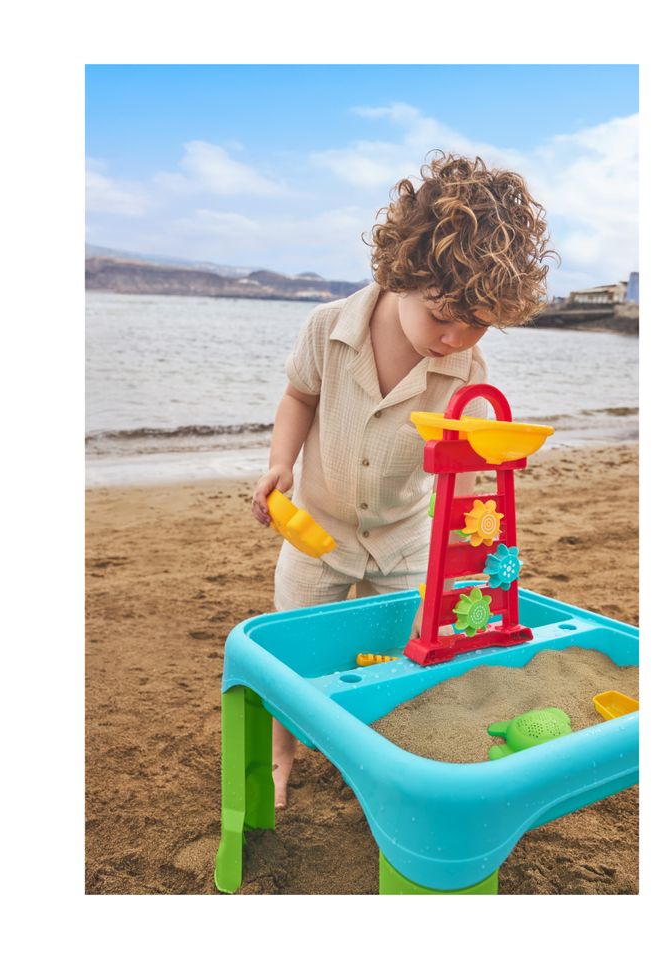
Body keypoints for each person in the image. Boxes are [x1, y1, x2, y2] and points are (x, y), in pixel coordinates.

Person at [250, 152, 555, 809]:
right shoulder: (327, 329)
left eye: (474, 322)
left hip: (405, 539)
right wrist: (280, 461)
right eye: (441, 314)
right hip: (317, 529)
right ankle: (282, 755)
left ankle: (379, 756)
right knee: (296, 652)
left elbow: (468, 462)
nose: (452, 337)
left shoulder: (468, 369)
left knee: (402, 655)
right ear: (403, 272)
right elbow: (298, 398)